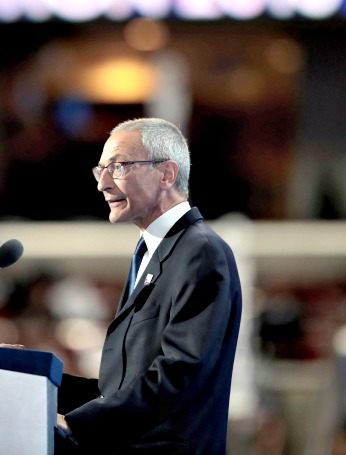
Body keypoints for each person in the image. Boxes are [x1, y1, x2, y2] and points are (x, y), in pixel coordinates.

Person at [56, 117, 242, 455]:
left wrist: (80, 423)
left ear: (167, 174)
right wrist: (37, 378)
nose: (104, 184)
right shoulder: (152, 252)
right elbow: (124, 387)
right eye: (101, 170)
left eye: (120, 167)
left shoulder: (200, 251)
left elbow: (180, 374)